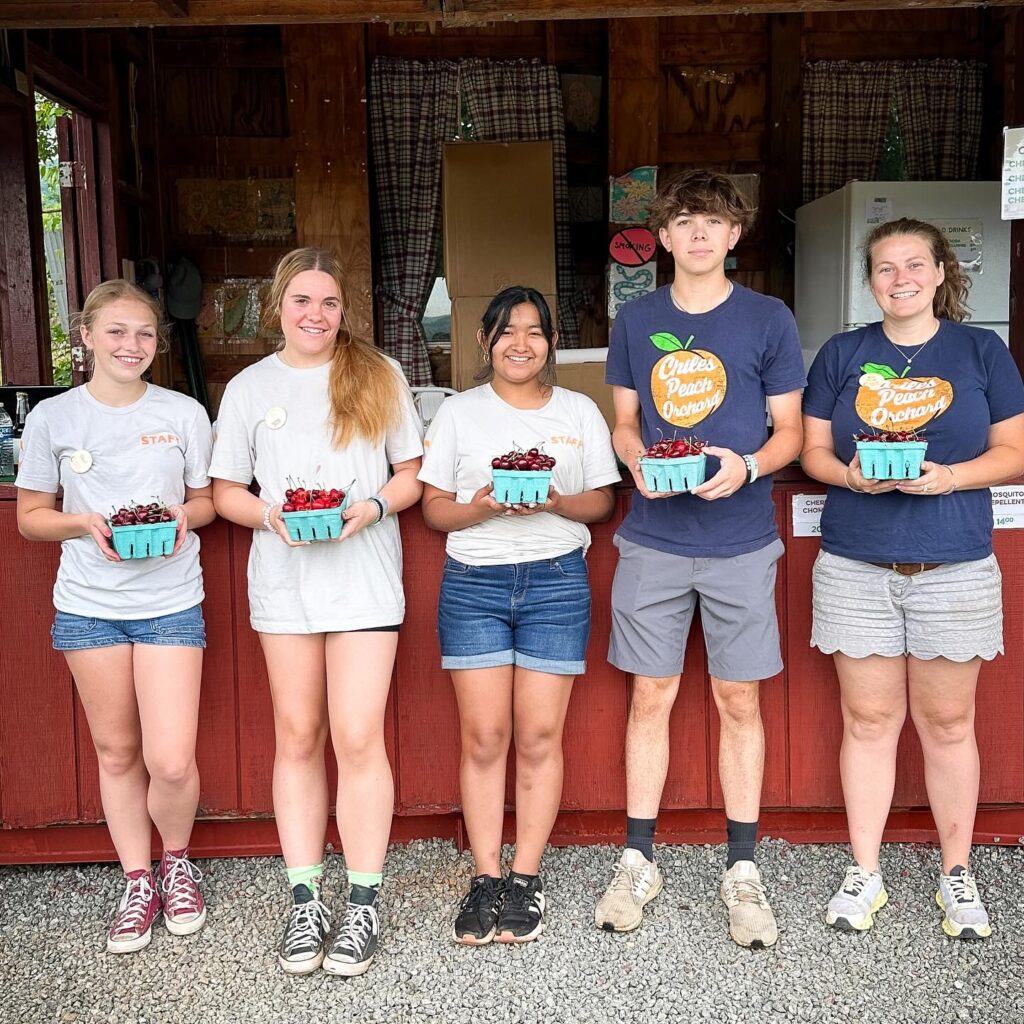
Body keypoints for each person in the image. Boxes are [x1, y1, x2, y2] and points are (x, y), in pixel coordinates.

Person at [595, 170, 806, 948]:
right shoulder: (637, 318)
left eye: (712, 222)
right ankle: (638, 858)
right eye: (683, 221)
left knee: (737, 701)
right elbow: (624, 420)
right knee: (650, 696)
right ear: (663, 235)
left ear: (735, 234)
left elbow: (790, 433)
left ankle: (742, 868)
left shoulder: (767, 318)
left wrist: (746, 467)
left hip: (741, 541)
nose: (698, 234)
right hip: (653, 537)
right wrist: (634, 459)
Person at [801, 217, 1024, 940]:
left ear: (939, 272)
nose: (900, 279)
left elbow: (1015, 451)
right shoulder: (843, 353)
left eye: (913, 265)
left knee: (949, 723)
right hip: (856, 562)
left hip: (953, 564)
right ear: (870, 281)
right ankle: (865, 872)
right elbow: (811, 453)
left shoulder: (981, 349)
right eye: (884, 268)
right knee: (867, 722)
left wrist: (951, 476)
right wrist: (851, 477)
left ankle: (955, 874)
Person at [209, 248, 423, 976]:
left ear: (343, 310)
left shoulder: (378, 373)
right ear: (278, 307)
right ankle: (306, 899)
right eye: (302, 301)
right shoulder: (247, 388)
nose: (316, 315)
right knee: (298, 736)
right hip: (285, 584)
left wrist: (370, 506)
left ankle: (362, 900)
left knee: (358, 738)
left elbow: (411, 475)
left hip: (363, 581)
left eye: (328, 303)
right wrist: (271, 517)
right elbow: (227, 490)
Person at [16, 280, 214, 953]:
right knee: (117, 750)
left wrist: (183, 516)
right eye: (117, 332)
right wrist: (84, 522)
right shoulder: (55, 420)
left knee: (171, 758)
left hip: (169, 601)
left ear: (157, 343)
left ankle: (177, 861)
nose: (132, 345)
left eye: (144, 334)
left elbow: (207, 501)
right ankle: (138, 879)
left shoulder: (184, 412)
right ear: (88, 336)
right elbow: (30, 518)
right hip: (89, 607)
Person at [419, 287, 619, 945]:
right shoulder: (457, 415)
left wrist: (555, 501)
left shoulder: (579, 411)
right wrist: (483, 506)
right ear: (484, 341)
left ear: (551, 343)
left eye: (534, 332)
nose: (521, 344)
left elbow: (599, 504)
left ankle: (525, 879)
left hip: (557, 584)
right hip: (473, 584)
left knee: (537, 736)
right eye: (507, 332)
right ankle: (485, 874)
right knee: (483, 736)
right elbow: (435, 510)